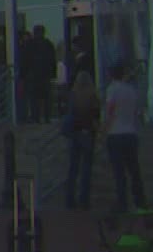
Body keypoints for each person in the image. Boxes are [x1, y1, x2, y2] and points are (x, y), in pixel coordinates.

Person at [102, 63, 147, 212]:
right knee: (134, 169)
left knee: (119, 171)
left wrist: (104, 129)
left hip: (115, 133)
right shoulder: (131, 90)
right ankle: (140, 199)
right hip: (130, 132)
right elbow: (137, 111)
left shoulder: (112, 89)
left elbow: (110, 111)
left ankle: (123, 202)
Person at [63, 71, 101, 211]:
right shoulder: (93, 96)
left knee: (73, 168)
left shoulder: (73, 95)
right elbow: (96, 115)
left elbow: (69, 113)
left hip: (75, 133)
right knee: (86, 168)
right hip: (88, 133)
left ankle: (69, 199)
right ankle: (84, 199)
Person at [21, 25, 58, 125]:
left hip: (32, 76)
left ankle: (36, 118)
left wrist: (23, 75)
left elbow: (24, 61)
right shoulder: (48, 44)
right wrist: (53, 75)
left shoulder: (28, 44)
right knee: (46, 99)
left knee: (34, 99)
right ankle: (47, 118)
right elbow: (53, 61)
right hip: (45, 76)